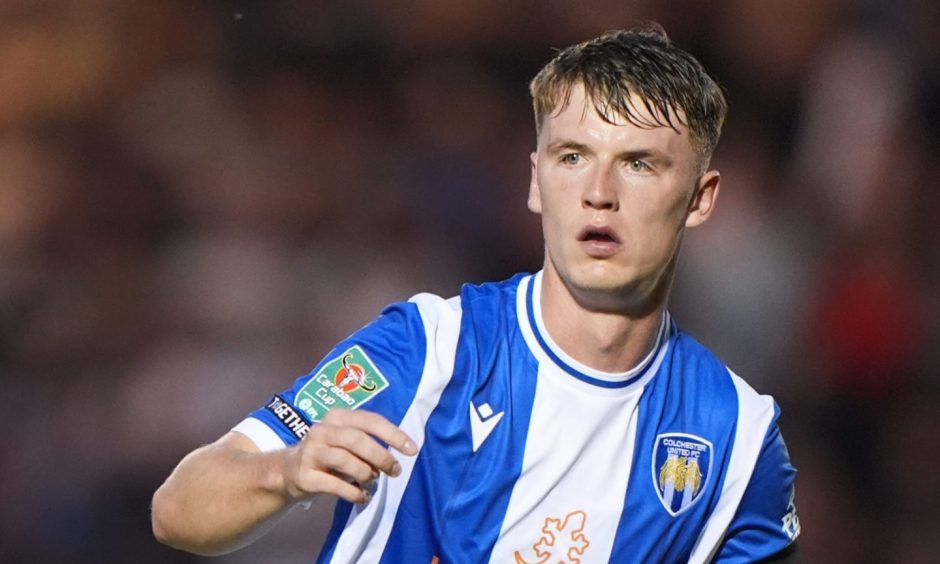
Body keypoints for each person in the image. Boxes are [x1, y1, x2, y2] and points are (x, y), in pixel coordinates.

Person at [152, 26, 800, 563]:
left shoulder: (738, 439)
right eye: (572, 156)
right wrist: (284, 472)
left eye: (638, 164)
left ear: (700, 198)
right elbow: (179, 508)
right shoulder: (429, 350)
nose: (599, 190)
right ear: (536, 183)